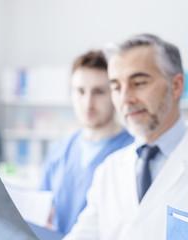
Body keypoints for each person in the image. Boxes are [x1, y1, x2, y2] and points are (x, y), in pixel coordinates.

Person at [63, 34, 188, 240]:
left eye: (138, 83)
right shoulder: (109, 170)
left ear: (176, 86)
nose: (124, 99)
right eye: (116, 87)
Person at [39, 50, 134, 235]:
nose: (88, 102)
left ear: (115, 93)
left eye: (98, 92)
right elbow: (42, 211)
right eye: (80, 91)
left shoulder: (134, 151)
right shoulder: (59, 150)